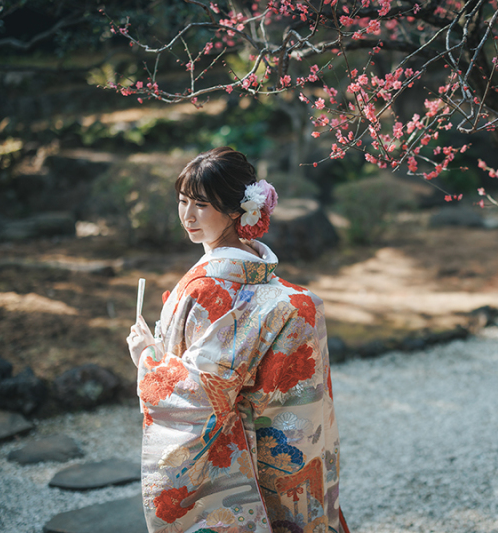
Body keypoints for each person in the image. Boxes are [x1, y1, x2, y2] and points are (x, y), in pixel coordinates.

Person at [126, 147, 347, 533]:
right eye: (182, 201)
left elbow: (200, 392)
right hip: (290, 451)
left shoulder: (208, 289)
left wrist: (146, 355)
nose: (188, 216)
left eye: (201, 205)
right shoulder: (284, 292)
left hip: (242, 458)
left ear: (234, 211)